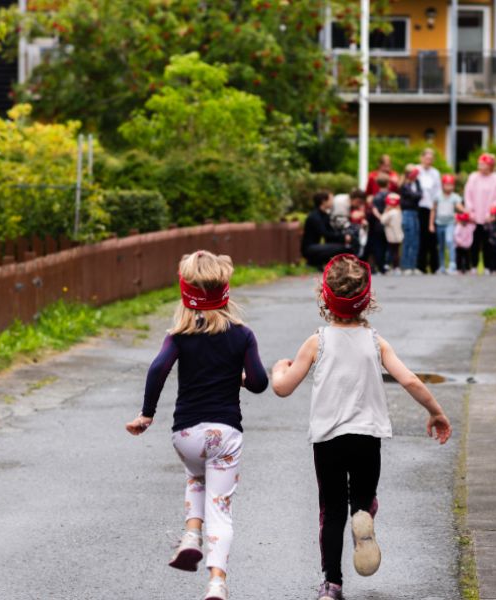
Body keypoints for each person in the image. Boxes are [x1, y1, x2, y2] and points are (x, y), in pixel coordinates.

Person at [270, 254, 452, 600]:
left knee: (331, 510)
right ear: (367, 299)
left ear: (324, 297)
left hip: (329, 440)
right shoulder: (375, 341)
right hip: (368, 437)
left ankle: (332, 584)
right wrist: (436, 412)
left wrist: (280, 368)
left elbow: (283, 388)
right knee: (362, 499)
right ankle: (364, 514)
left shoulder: (317, 341)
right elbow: (410, 380)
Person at [125, 250, 269, 600]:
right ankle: (217, 582)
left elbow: (158, 369)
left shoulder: (178, 335)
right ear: (225, 290)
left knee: (196, 477)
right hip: (226, 434)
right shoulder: (242, 334)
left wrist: (147, 413)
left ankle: (191, 534)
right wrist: (241, 379)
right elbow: (260, 382)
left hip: (186, 434)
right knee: (220, 507)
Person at [463, 153, 496, 274]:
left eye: (483, 164)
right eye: (479, 164)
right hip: (475, 216)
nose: (480, 166)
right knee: (474, 242)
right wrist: (470, 211)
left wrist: (491, 212)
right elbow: (468, 195)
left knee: (488, 243)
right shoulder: (473, 177)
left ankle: (488, 266)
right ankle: (474, 266)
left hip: (488, 217)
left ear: (490, 166)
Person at [302, 191, 354, 269]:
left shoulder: (325, 215)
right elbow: (325, 233)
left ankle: (322, 263)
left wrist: (343, 237)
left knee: (346, 247)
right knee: (342, 248)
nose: (333, 202)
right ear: (323, 201)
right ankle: (314, 262)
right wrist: (343, 237)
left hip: (317, 246)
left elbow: (331, 232)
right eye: (331, 200)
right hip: (310, 248)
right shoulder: (315, 216)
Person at [430, 174, 462, 274]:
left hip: (450, 223)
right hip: (439, 223)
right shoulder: (437, 197)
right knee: (441, 246)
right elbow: (433, 210)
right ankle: (442, 266)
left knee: (449, 241)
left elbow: (459, 206)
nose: (449, 187)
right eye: (446, 185)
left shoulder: (455, 197)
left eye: (451, 185)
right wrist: (431, 224)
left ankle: (452, 265)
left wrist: (466, 211)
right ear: (442, 185)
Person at [416, 148, 441, 274]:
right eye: (426, 158)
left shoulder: (435, 173)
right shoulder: (417, 170)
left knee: (432, 238)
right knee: (421, 237)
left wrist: (435, 207)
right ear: (422, 158)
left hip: (431, 208)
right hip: (419, 208)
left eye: (431, 159)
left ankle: (434, 266)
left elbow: (437, 191)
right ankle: (420, 266)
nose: (428, 161)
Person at [399, 165, 423, 275]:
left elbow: (420, 195)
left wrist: (417, 184)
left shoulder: (416, 184)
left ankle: (413, 266)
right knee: (408, 239)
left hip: (415, 213)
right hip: (407, 213)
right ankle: (406, 266)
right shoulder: (404, 185)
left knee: (415, 239)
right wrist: (417, 194)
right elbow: (414, 196)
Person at [366, 174, 391, 273]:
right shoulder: (389, 195)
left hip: (378, 223)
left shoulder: (376, 196)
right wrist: (384, 217)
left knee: (379, 245)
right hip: (388, 223)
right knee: (387, 245)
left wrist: (380, 217)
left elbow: (374, 209)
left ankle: (379, 265)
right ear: (388, 184)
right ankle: (385, 264)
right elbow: (390, 208)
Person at [380, 193, 404, 274]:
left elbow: (383, 220)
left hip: (391, 236)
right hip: (398, 235)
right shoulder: (399, 212)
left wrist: (385, 211)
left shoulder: (390, 213)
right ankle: (396, 267)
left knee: (391, 251)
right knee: (396, 251)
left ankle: (388, 265)